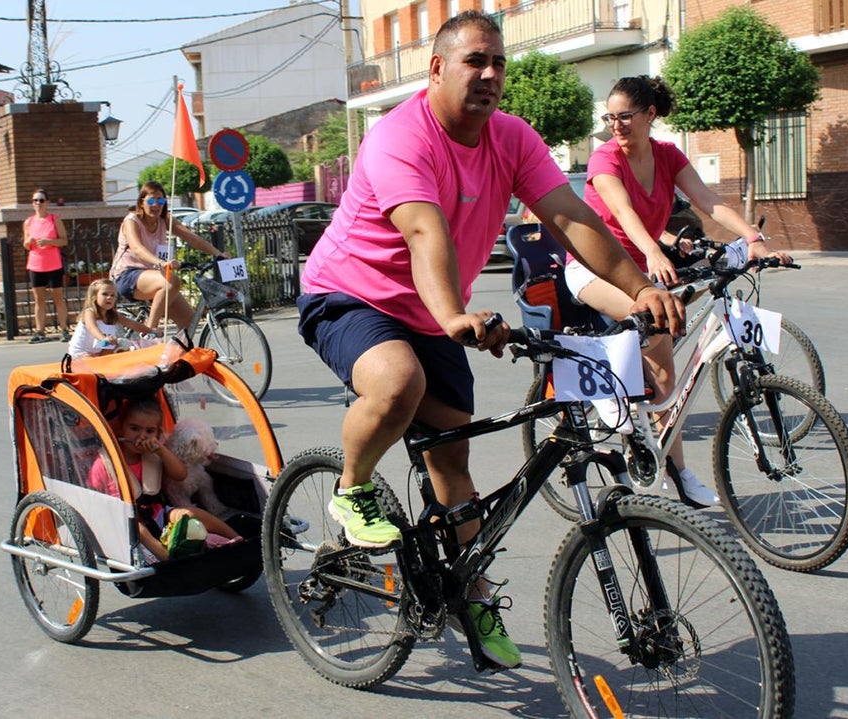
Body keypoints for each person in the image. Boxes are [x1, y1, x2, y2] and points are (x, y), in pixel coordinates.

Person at [296, 11, 683, 671]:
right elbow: (424, 232)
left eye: (498, 63)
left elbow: (572, 219)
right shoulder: (399, 137)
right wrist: (452, 311)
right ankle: (353, 487)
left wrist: (640, 288)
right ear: (437, 69)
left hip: (434, 314)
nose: (490, 75)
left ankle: (471, 594)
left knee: (454, 467)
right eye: (475, 61)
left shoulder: (511, 138)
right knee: (398, 381)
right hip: (351, 296)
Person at [565, 75, 792, 508]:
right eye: (609, 117)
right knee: (650, 316)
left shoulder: (668, 156)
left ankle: (678, 471)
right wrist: (653, 251)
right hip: (595, 269)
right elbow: (622, 211)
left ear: (650, 114)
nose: (616, 125)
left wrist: (753, 239)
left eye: (625, 116)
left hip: (648, 273)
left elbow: (709, 202)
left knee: (667, 379)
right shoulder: (604, 158)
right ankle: (609, 389)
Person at [87, 398, 240, 563]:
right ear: (121, 428)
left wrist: (161, 451)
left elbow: (181, 474)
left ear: (158, 434)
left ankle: (237, 539)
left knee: (189, 512)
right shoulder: (105, 463)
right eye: (134, 428)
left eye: (149, 431)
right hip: (128, 524)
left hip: (157, 514)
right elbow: (93, 497)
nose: (142, 436)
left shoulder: (155, 455)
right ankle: (169, 560)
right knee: (140, 530)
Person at [110, 182, 228, 335]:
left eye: (160, 201)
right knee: (172, 280)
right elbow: (137, 248)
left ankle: (174, 357)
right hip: (127, 275)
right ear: (141, 202)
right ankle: (149, 331)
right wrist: (160, 262)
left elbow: (191, 237)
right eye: (151, 201)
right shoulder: (132, 221)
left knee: (189, 325)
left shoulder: (164, 219)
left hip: (153, 276)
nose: (156, 205)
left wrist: (218, 253)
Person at [22, 188, 71, 343]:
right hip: (35, 265)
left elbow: (64, 240)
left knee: (58, 298)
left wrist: (49, 242)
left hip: (53, 264)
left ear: (47, 203)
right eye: (35, 200)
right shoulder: (28, 222)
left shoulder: (54, 219)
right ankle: (40, 331)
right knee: (39, 299)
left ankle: (64, 329)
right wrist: (28, 242)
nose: (38, 203)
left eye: (41, 200)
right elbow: (25, 244)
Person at [67, 278, 153, 358]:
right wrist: (103, 339)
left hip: (97, 353)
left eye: (113, 295)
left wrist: (151, 331)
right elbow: (92, 327)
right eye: (105, 294)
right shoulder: (89, 312)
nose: (109, 298)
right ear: (94, 297)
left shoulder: (112, 315)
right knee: (111, 348)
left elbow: (132, 324)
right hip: (80, 354)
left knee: (122, 346)